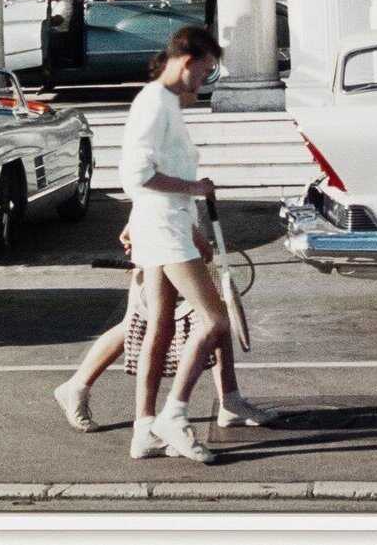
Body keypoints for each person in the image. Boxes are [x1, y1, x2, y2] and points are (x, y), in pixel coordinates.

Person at [115, 23, 248, 463]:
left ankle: (143, 430)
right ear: (187, 61)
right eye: (206, 71)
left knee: (162, 329)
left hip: (164, 224)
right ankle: (175, 414)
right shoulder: (155, 103)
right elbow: (136, 176)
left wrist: (189, 222)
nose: (205, 80)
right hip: (164, 229)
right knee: (214, 321)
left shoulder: (164, 101)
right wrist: (195, 190)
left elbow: (149, 177)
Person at [53, 222, 278, 434]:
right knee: (144, 322)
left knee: (213, 312)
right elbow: (149, 186)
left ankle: (229, 401)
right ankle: (82, 390)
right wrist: (186, 226)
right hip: (164, 235)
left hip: (174, 233)